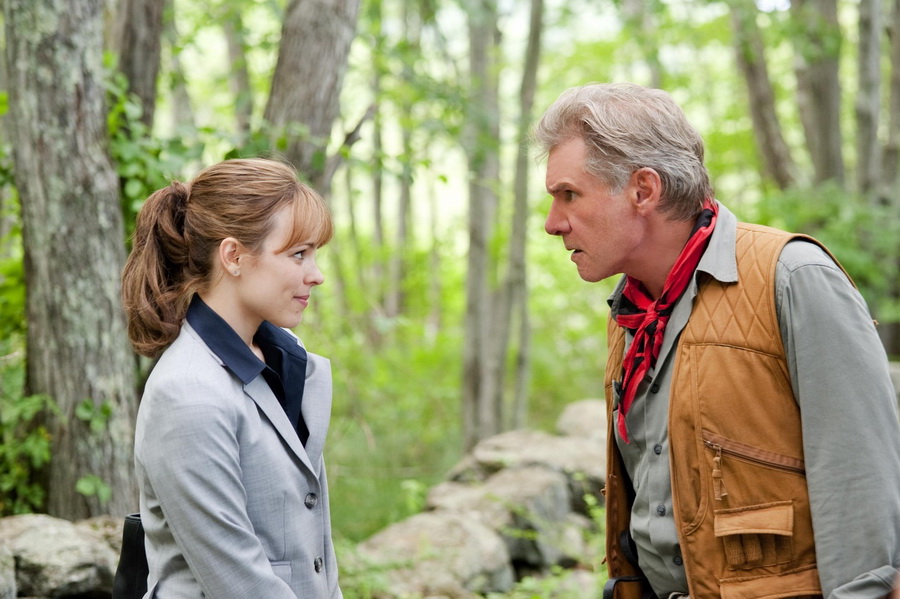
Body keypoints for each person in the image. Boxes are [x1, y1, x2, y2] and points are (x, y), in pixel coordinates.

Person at [533, 82, 900, 599]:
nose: (553, 224)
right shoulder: (632, 315)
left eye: (569, 194)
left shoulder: (794, 278)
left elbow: (861, 491)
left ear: (643, 190)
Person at [121, 158, 342, 598]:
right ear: (234, 256)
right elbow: (239, 581)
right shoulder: (187, 393)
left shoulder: (289, 359)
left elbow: (318, 550)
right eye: (298, 254)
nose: (316, 275)